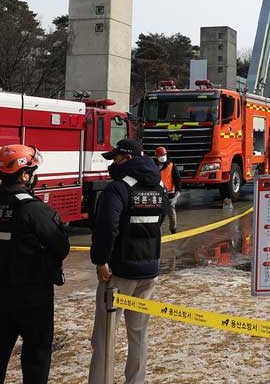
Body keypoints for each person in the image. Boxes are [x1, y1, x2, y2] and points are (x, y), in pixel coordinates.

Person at [0, 145, 70, 384]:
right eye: (32, 171)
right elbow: (61, 247)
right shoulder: (36, 210)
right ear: (25, 175)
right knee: (36, 355)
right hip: (31, 296)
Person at [88, 138, 167, 384]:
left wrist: (101, 261)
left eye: (116, 158)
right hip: (149, 270)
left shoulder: (118, 188)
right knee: (139, 335)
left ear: (128, 159)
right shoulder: (159, 187)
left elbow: (106, 228)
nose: (113, 163)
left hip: (119, 274)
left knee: (104, 337)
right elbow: (159, 221)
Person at [153, 146, 182, 234]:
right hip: (158, 194)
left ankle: (173, 229)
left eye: (164, 155)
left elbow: (178, 180)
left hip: (170, 194)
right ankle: (157, 231)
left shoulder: (171, 166)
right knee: (158, 214)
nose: (163, 157)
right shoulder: (152, 166)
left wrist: (177, 193)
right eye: (161, 155)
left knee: (171, 213)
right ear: (156, 156)